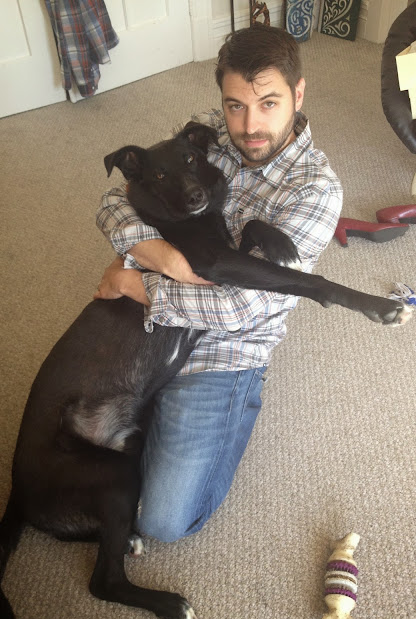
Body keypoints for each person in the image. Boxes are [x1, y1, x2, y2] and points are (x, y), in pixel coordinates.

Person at [94, 23, 343, 543]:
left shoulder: (316, 190)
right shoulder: (207, 132)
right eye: (235, 106)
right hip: (150, 328)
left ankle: (238, 400)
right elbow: (116, 199)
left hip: (225, 349)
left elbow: (240, 308)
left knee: (162, 521)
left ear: (298, 94)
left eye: (269, 103)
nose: (249, 126)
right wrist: (154, 252)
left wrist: (133, 283)